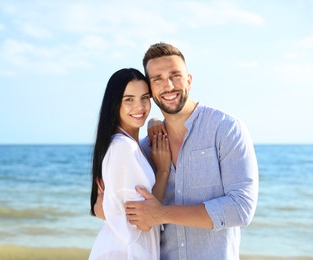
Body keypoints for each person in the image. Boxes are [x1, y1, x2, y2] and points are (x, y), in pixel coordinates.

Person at [94, 43, 259, 259]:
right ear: (151, 91)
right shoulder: (145, 150)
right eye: (158, 79)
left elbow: (241, 208)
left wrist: (162, 214)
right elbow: (119, 213)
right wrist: (105, 206)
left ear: (189, 80)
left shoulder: (225, 129)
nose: (168, 85)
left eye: (175, 75)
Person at [89, 68, 171, 260]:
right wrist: (163, 170)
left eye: (144, 97)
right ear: (114, 103)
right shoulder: (123, 148)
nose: (139, 107)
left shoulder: (127, 144)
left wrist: (154, 121)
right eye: (129, 99)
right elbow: (144, 221)